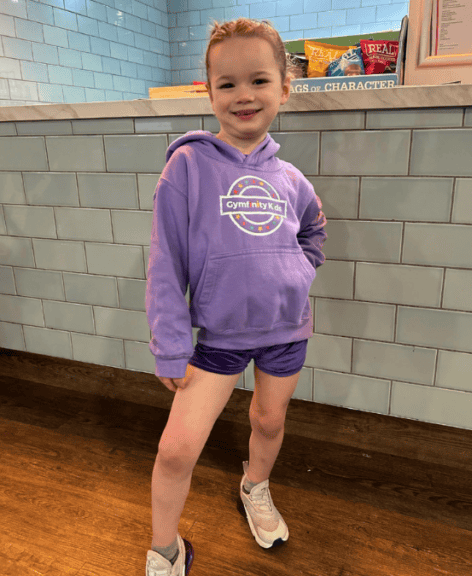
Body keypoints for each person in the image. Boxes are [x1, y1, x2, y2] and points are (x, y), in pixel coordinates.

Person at [144, 18, 327, 576]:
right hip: (217, 339)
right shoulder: (187, 167)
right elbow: (164, 261)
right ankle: (166, 550)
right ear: (209, 92)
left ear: (283, 88)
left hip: (285, 333)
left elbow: (313, 235)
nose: (243, 95)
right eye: (227, 84)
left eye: (258, 80)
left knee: (268, 422)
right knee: (176, 450)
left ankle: (256, 487)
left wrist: (295, 272)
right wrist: (170, 345)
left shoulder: (292, 180)